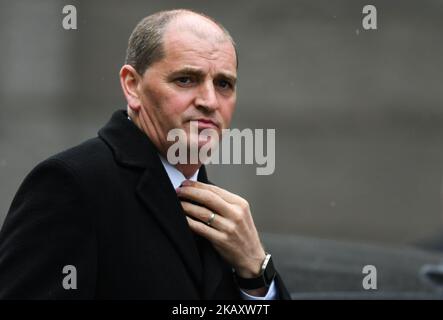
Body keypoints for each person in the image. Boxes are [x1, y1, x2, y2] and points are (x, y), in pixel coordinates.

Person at [0, 9, 290, 300]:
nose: (210, 101)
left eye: (224, 84)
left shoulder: (226, 218)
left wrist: (256, 271)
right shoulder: (72, 184)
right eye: (186, 79)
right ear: (132, 86)